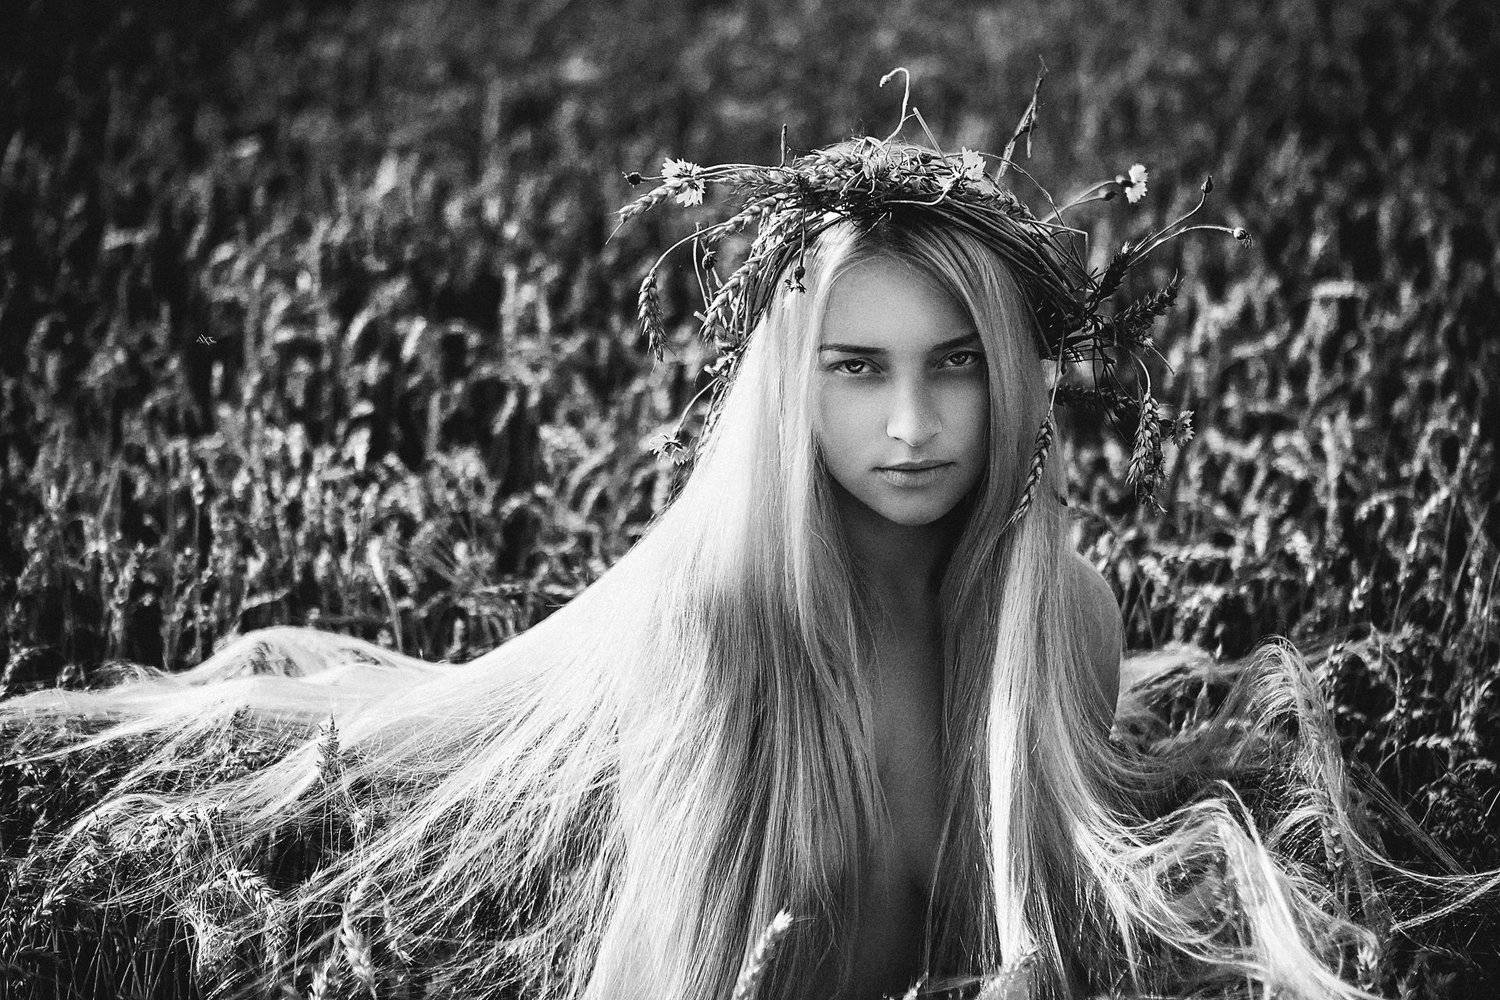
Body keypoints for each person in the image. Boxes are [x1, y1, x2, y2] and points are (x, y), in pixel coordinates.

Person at [1, 77, 1492, 1000]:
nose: (912, 424)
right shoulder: (719, 635)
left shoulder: (1072, 623)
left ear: (1020, 378)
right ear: (792, 392)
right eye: (856, 369)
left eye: (955, 362)